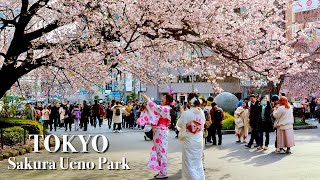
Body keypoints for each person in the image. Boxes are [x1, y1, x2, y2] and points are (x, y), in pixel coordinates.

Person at [142, 93, 173, 179]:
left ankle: (164, 172)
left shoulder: (166, 108)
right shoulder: (165, 108)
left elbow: (155, 107)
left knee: (162, 151)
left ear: (167, 100)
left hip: (161, 131)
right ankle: (162, 171)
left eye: (164, 98)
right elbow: (155, 109)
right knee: (159, 151)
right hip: (158, 130)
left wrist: (147, 99)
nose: (162, 99)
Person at [177, 93, 205, 180]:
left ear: (189, 102)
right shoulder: (202, 112)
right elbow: (202, 125)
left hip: (189, 140)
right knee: (198, 162)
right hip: (198, 139)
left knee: (189, 162)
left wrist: (182, 113)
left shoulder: (186, 113)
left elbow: (179, 124)